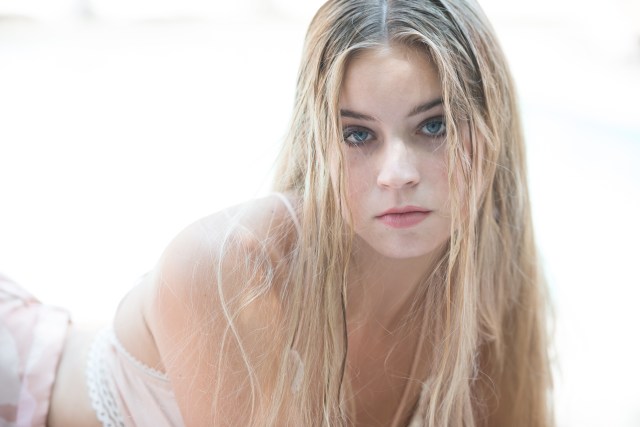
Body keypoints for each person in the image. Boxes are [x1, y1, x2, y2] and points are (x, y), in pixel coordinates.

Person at [0, 0, 553, 426]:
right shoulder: (234, 269)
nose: (397, 173)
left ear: (492, 129)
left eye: (434, 126)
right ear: (319, 144)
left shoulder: (483, 291)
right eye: (357, 135)